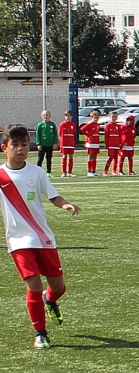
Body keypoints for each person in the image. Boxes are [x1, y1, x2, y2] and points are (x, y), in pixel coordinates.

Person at [0, 125, 81, 349]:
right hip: (18, 240)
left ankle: (50, 298)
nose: (20, 149)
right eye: (15, 145)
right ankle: (40, 334)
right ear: (4, 147)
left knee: (59, 287)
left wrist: (65, 204)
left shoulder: (37, 172)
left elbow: (53, 196)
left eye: (24, 144)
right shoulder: (1, 175)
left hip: (43, 237)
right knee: (34, 284)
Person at [79, 109, 102, 177]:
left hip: (96, 143)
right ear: (92, 117)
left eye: (97, 117)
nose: (96, 119)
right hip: (90, 143)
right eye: (94, 117)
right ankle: (89, 171)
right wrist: (88, 135)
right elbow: (82, 129)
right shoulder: (90, 124)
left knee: (95, 157)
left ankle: (93, 170)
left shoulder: (97, 124)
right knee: (91, 156)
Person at [35, 110, 57, 176]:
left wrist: (55, 142)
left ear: (50, 116)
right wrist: (38, 144)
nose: (45, 116)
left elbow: (55, 134)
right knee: (40, 159)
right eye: (44, 115)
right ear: (42, 116)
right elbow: (38, 135)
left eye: (47, 115)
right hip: (42, 145)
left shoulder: (52, 124)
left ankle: (49, 172)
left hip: (49, 145)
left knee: (49, 159)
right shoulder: (40, 125)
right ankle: (37, 172)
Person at [57, 110, 77, 177]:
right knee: (64, 156)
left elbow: (74, 132)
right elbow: (60, 133)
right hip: (64, 143)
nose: (67, 117)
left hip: (71, 143)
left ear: (71, 116)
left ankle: (70, 172)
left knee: (71, 156)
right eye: (66, 116)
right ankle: (64, 172)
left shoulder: (73, 124)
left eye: (69, 116)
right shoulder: (62, 124)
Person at [103, 111, 122, 176]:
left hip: (117, 144)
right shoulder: (108, 125)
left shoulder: (118, 126)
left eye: (115, 116)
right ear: (110, 117)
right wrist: (106, 144)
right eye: (113, 116)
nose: (114, 118)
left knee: (116, 158)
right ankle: (105, 171)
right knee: (111, 157)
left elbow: (120, 135)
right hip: (111, 144)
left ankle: (114, 171)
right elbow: (106, 135)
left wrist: (120, 144)